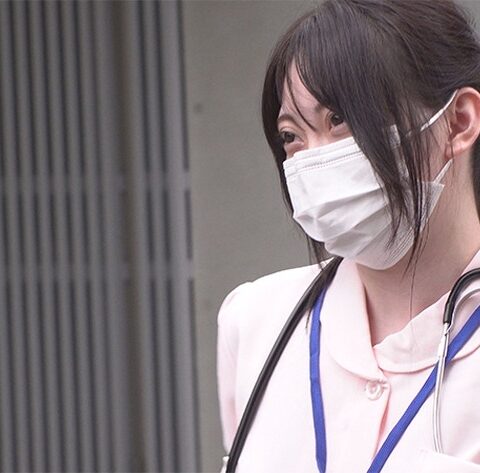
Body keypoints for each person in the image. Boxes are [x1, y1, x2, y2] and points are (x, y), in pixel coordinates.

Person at [216, 0, 480, 471]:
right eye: (292, 136)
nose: (314, 158)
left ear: (459, 121)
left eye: (340, 120)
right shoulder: (256, 321)